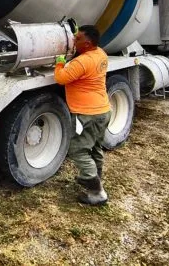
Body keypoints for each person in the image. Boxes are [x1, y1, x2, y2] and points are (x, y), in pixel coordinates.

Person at [54, 25, 111, 206]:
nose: (74, 40)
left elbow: (61, 78)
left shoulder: (82, 62)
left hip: (86, 114)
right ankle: (94, 178)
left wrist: (60, 63)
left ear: (87, 44)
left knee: (78, 150)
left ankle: (96, 192)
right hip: (103, 110)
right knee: (95, 147)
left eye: (77, 39)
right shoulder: (100, 54)